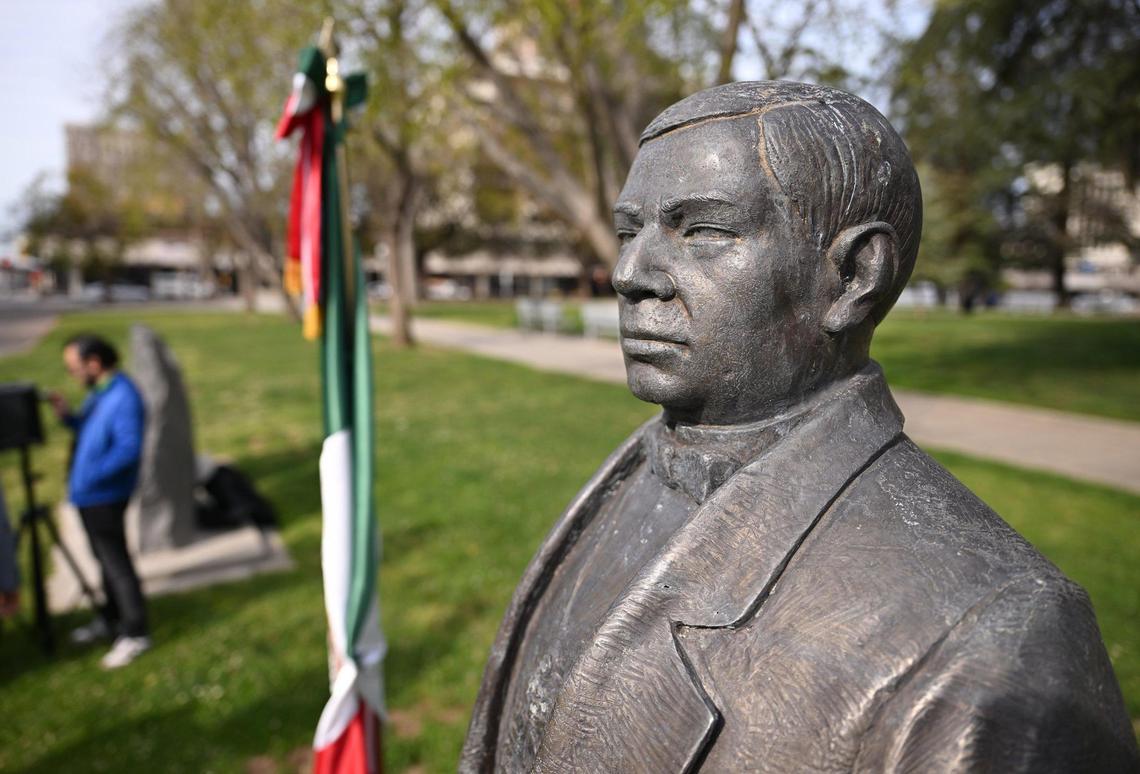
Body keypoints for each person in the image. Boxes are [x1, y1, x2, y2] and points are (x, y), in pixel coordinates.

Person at [461, 82, 1138, 772]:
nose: (629, 273)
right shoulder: (630, 475)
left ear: (851, 277)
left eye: (703, 231)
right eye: (630, 231)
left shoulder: (1000, 647)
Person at [48, 333, 150, 669]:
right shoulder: (101, 392)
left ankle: (135, 632)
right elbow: (90, 430)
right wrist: (68, 417)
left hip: (105, 495)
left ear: (94, 363)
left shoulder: (124, 396)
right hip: (90, 496)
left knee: (116, 563)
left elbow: (127, 449)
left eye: (74, 367)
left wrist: (91, 478)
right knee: (104, 561)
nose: (73, 374)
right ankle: (111, 619)